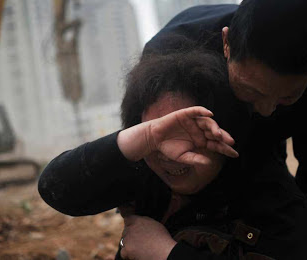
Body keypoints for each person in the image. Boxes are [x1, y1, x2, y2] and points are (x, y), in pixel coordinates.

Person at [128, 0, 307, 259]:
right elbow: (145, 149)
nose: (266, 110)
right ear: (226, 44)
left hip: (262, 149)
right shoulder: (171, 63)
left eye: (288, 97)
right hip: (198, 153)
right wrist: (145, 231)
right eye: (252, 90)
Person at [39, 51, 280, 259]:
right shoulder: (143, 171)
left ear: (226, 130)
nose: (170, 155)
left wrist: (164, 253)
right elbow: (56, 189)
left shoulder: (273, 203)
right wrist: (143, 139)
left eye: (189, 135)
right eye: (157, 133)